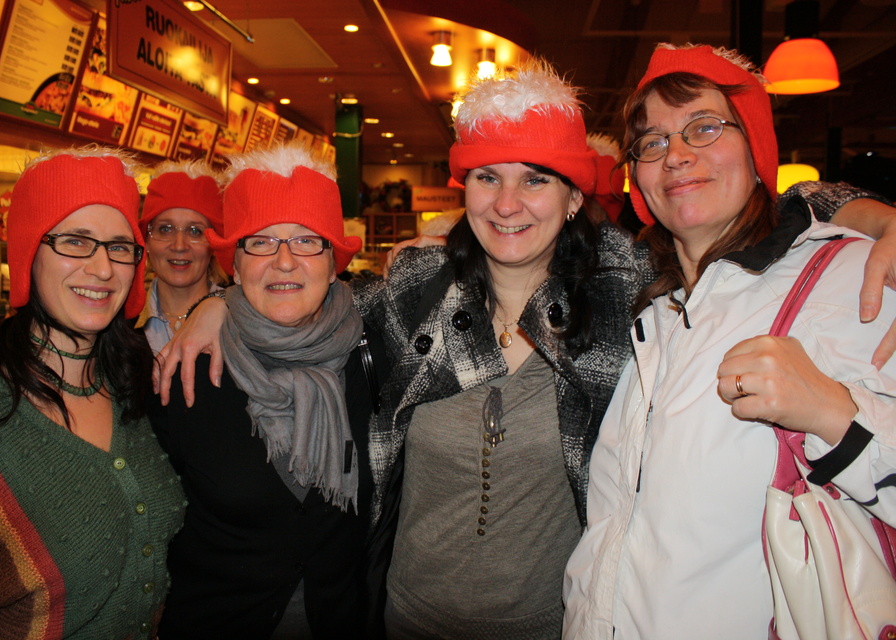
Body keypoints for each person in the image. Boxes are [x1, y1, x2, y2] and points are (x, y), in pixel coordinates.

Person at [158, 62, 896, 639]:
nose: (508, 204)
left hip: (557, 623)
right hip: (403, 617)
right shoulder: (414, 289)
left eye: (536, 179)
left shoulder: (626, 289)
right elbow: (310, 299)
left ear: (575, 197)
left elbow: (743, 212)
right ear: (465, 190)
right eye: (488, 178)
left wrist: (864, 210)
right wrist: (215, 301)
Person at [562, 43, 896, 640]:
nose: (676, 155)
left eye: (705, 127)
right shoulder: (653, 311)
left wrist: (832, 413)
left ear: (755, 147)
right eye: (652, 142)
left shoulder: (854, 279)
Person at [0, 147, 185, 638]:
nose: (103, 268)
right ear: (30, 252)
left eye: (119, 246)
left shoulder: (131, 380)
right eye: (75, 241)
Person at [148, 144, 385, 639]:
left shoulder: (374, 356)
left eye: (306, 241)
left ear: (333, 263)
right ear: (234, 265)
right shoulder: (186, 370)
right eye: (260, 242)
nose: (284, 262)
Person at [136, 160, 226, 354]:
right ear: (146, 240)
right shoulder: (117, 322)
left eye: (195, 231)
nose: (179, 246)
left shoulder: (241, 319)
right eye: (165, 229)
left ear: (213, 244)